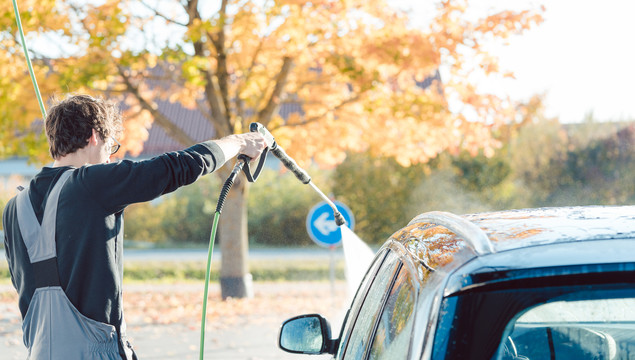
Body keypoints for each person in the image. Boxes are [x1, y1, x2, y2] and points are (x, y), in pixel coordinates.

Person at [2, 94, 267, 359]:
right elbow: (176, 166)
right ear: (95, 137)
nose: (109, 159)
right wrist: (239, 142)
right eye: (111, 147)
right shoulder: (92, 182)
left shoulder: (14, 209)